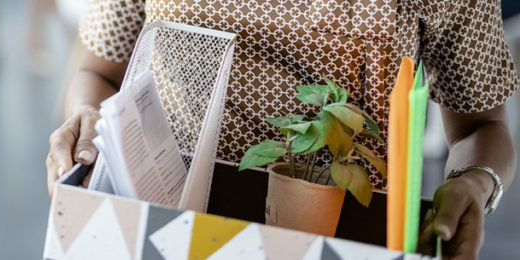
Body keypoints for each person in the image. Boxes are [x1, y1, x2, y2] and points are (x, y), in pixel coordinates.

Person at [44, 0, 517, 258]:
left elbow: (482, 125)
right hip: (156, 231)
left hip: (340, 243)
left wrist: (474, 182)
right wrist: (85, 117)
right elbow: (98, 71)